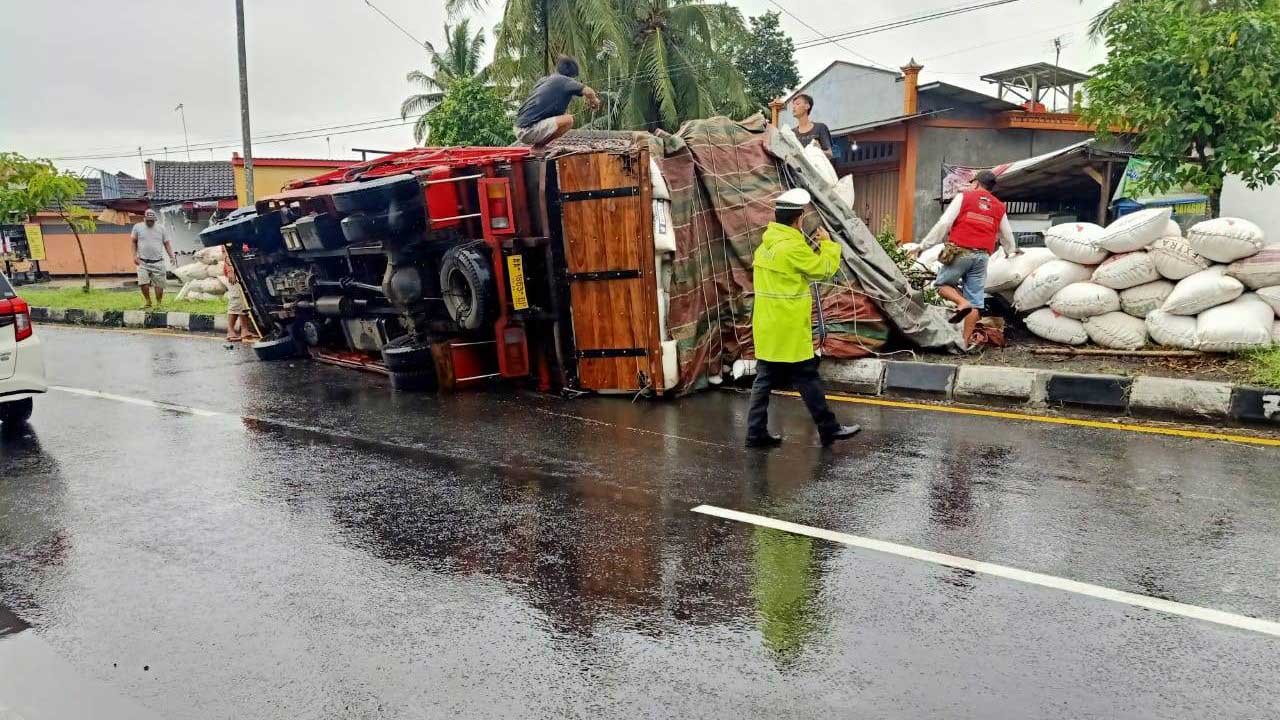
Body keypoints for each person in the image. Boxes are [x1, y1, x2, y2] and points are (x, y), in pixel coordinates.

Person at [746, 188, 861, 448]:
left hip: (766, 325)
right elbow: (824, 271)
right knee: (806, 377)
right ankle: (829, 429)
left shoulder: (765, 247)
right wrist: (828, 245)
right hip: (788, 326)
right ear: (798, 220)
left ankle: (755, 433)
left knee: (763, 379)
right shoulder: (792, 248)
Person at [915, 170, 1020, 343]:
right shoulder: (999, 206)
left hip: (960, 251)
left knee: (942, 285)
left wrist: (924, 245)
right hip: (983, 256)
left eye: (972, 182)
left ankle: (961, 302)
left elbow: (944, 223)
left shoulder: (965, 197)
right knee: (976, 301)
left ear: (977, 183)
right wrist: (1010, 251)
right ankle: (965, 342)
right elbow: (1006, 235)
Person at [513, 55, 601, 149]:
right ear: (571, 74)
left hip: (519, 128)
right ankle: (539, 147)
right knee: (568, 120)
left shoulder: (545, 80)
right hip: (529, 130)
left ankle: (539, 147)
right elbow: (588, 91)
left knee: (563, 117)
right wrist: (594, 101)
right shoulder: (564, 80)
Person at [131, 209, 176, 309]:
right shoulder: (137, 227)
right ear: (145, 218)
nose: (150, 222)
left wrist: (172, 256)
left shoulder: (161, 228)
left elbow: (167, 243)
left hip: (158, 261)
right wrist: (134, 256)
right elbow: (133, 242)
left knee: (159, 284)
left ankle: (159, 303)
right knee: (143, 282)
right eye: (148, 220)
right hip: (142, 261)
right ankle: (148, 301)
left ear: (155, 219)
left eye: (152, 220)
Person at [791, 94, 833, 158]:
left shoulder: (820, 127)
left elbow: (829, 154)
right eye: (793, 105)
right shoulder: (791, 133)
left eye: (797, 104)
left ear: (807, 106)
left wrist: (818, 151)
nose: (793, 107)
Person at [223, 260, 254, 346]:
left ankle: (245, 330)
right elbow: (225, 252)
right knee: (236, 301)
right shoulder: (225, 248)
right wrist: (230, 270)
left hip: (242, 271)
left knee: (244, 302)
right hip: (233, 274)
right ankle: (230, 331)